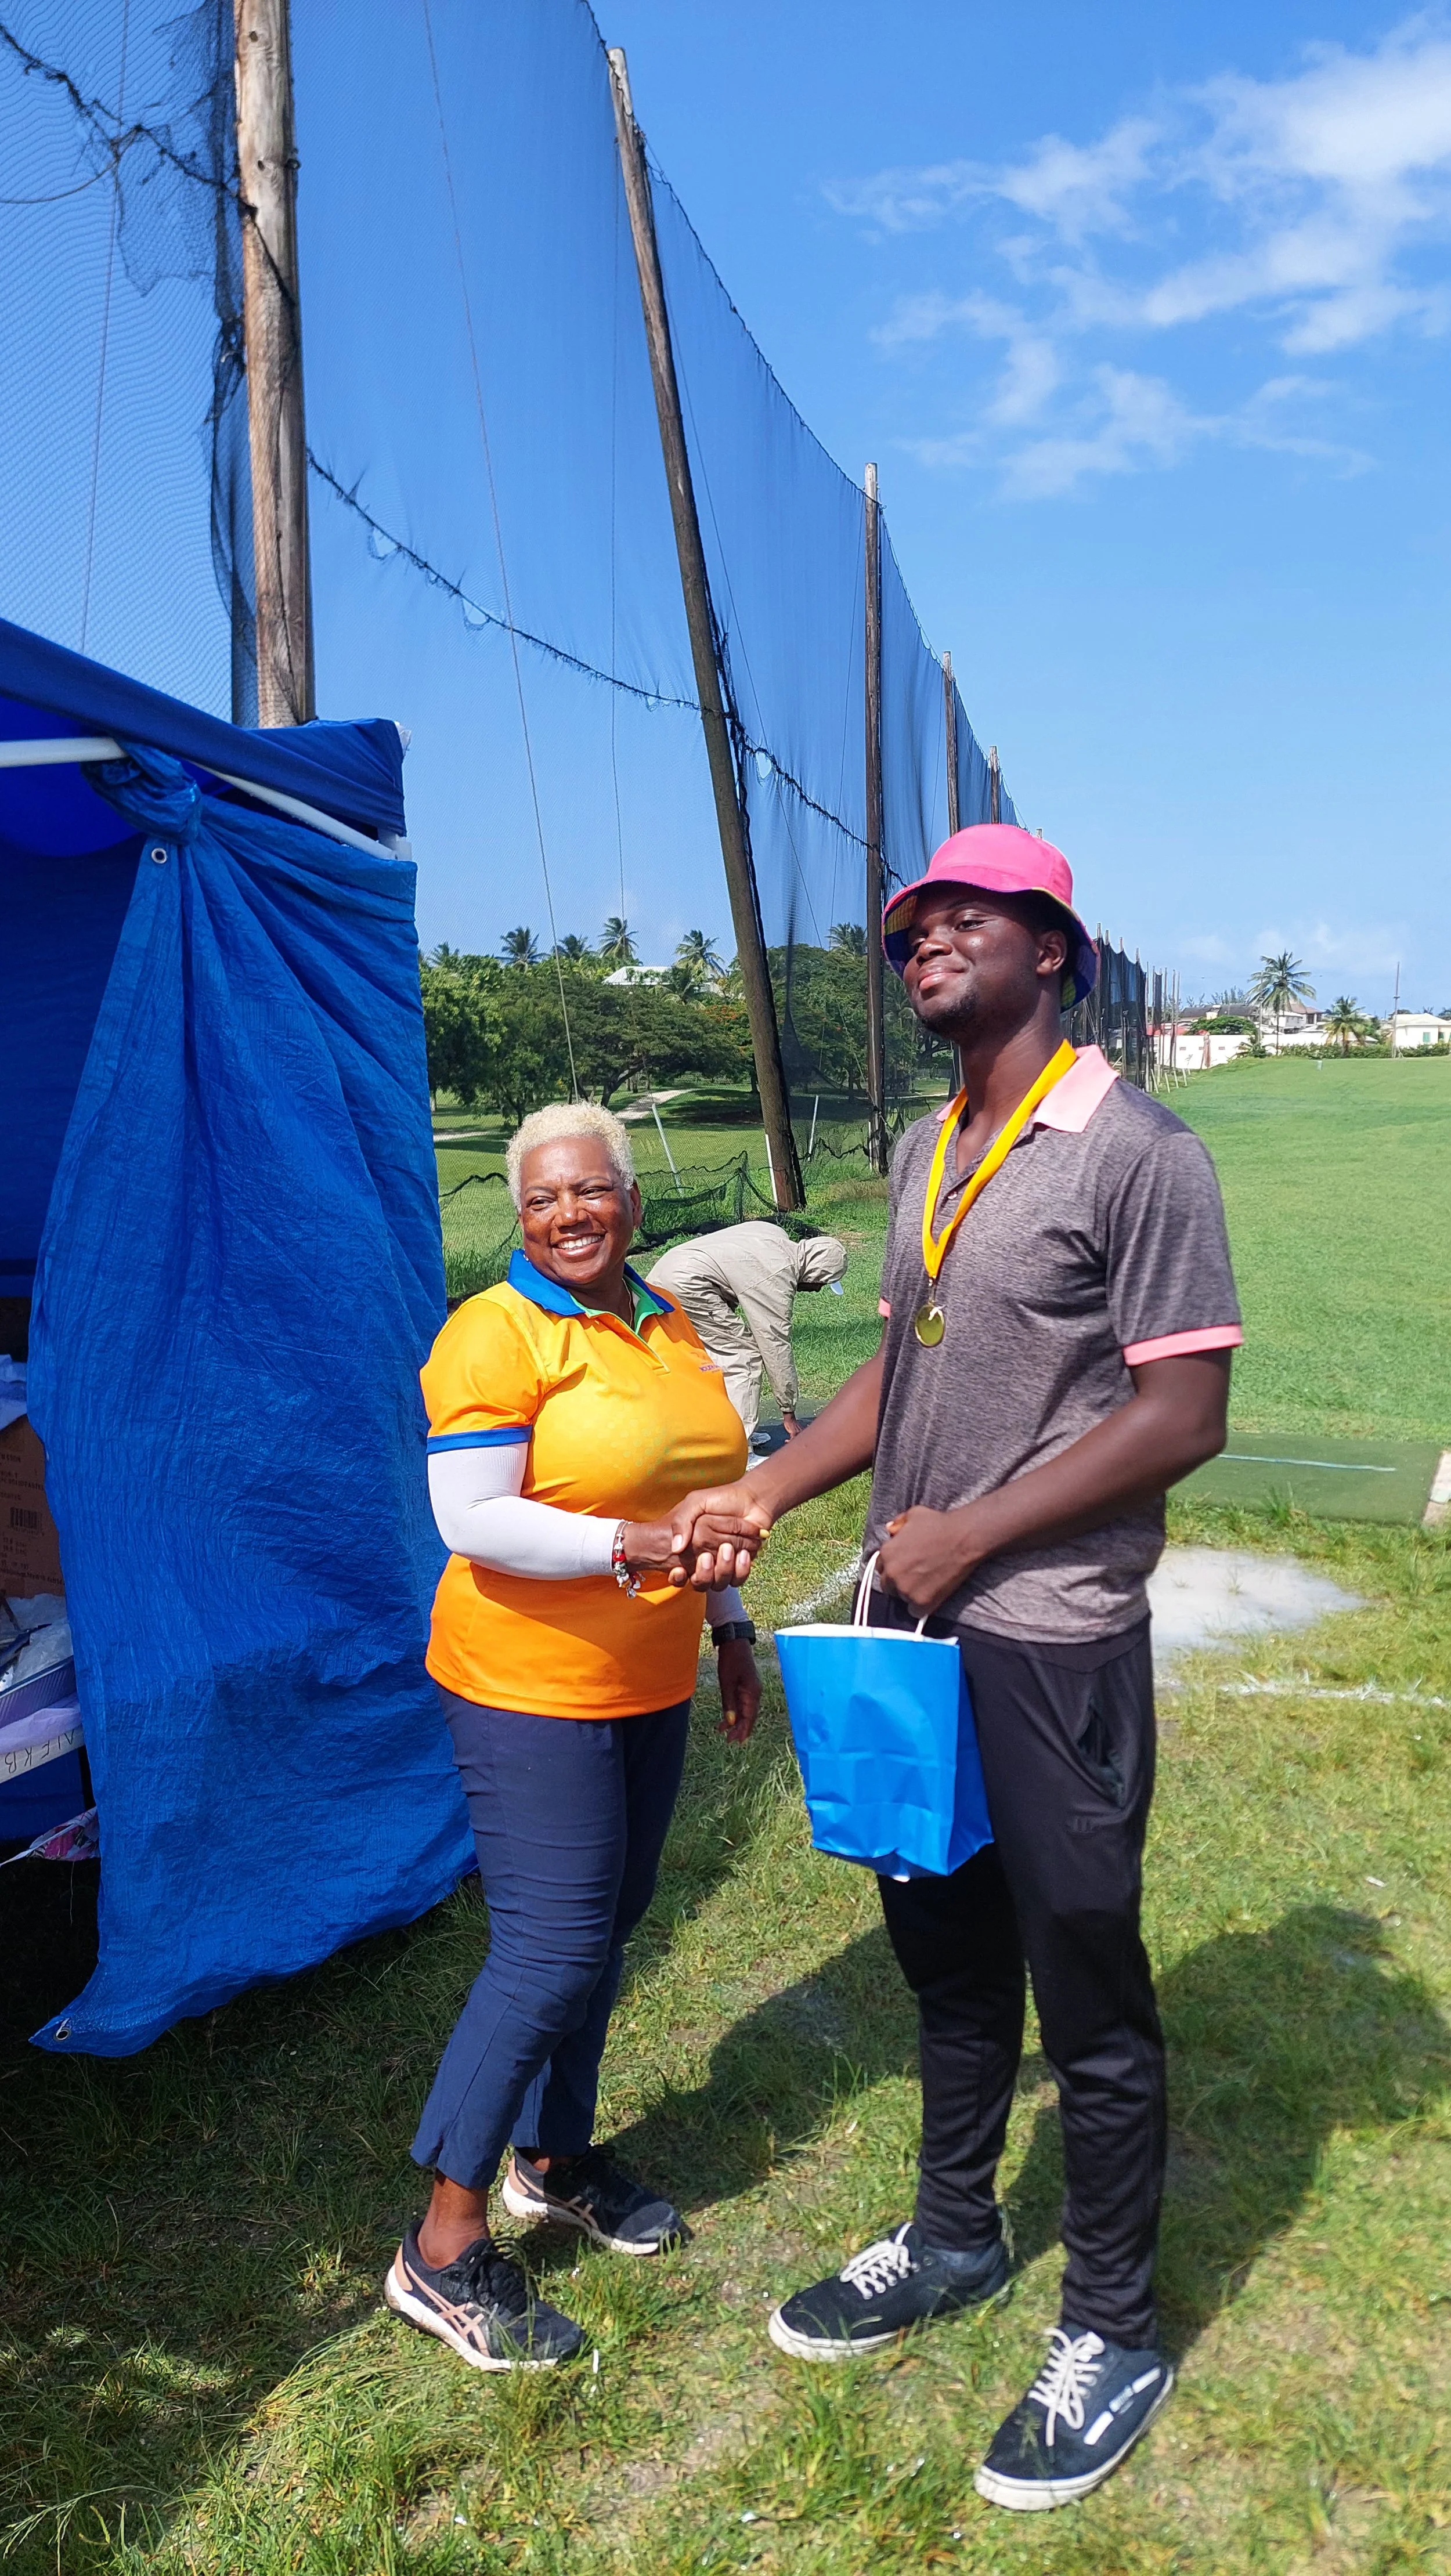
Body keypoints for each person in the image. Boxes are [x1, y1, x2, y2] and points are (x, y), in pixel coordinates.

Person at [668, 823, 1242, 2510]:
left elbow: (1178, 1414)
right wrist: (768, 1485)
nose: (921, 937)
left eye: (961, 917)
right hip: (908, 1621)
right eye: (909, 920)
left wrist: (972, 1531)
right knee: (937, 1942)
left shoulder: (1134, 1150)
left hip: (1047, 1634)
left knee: (1085, 1975)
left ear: (1047, 948)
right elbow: (895, 1383)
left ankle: (1115, 2326)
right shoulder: (930, 1141)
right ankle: (948, 2232)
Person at [387, 1103, 761, 2373]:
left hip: (645, 1676)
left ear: (629, 1200)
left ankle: (553, 2156)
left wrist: (727, 1619)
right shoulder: (492, 1330)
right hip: (524, 1680)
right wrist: (629, 1547)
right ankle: (439, 2246)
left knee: (610, 1923)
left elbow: (692, 1491)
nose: (566, 1213)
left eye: (588, 1189)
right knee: (548, 1949)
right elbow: (470, 1515)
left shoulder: (662, 1319)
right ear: (520, 1210)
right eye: (541, 1197)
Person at [645, 1220, 848, 1444]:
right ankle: (738, 1448)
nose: (818, 1290)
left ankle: (722, 1430)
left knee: (713, 1357)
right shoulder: (777, 1275)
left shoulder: (774, 1235)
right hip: (686, 1283)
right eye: (822, 1282)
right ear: (814, 1273)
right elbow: (775, 1346)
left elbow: (728, 1267)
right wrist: (788, 1412)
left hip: (666, 1271)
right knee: (743, 1357)